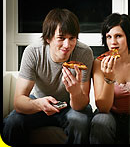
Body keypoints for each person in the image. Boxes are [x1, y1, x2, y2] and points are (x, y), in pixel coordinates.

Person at [2, 8, 94, 144]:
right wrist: (39, 104)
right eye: (61, 38)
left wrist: (75, 92)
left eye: (72, 38)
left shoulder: (84, 53)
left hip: (70, 106)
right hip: (39, 100)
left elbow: (81, 104)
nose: (67, 45)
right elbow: (18, 101)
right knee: (12, 122)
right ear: (48, 38)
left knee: (80, 121)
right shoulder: (33, 52)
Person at [89, 13, 130, 144]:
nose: (113, 42)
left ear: (128, 36)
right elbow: (103, 108)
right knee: (101, 120)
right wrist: (109, 79)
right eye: (109, 37)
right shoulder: (99, 63)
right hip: (111, 115)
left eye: (118, 36)